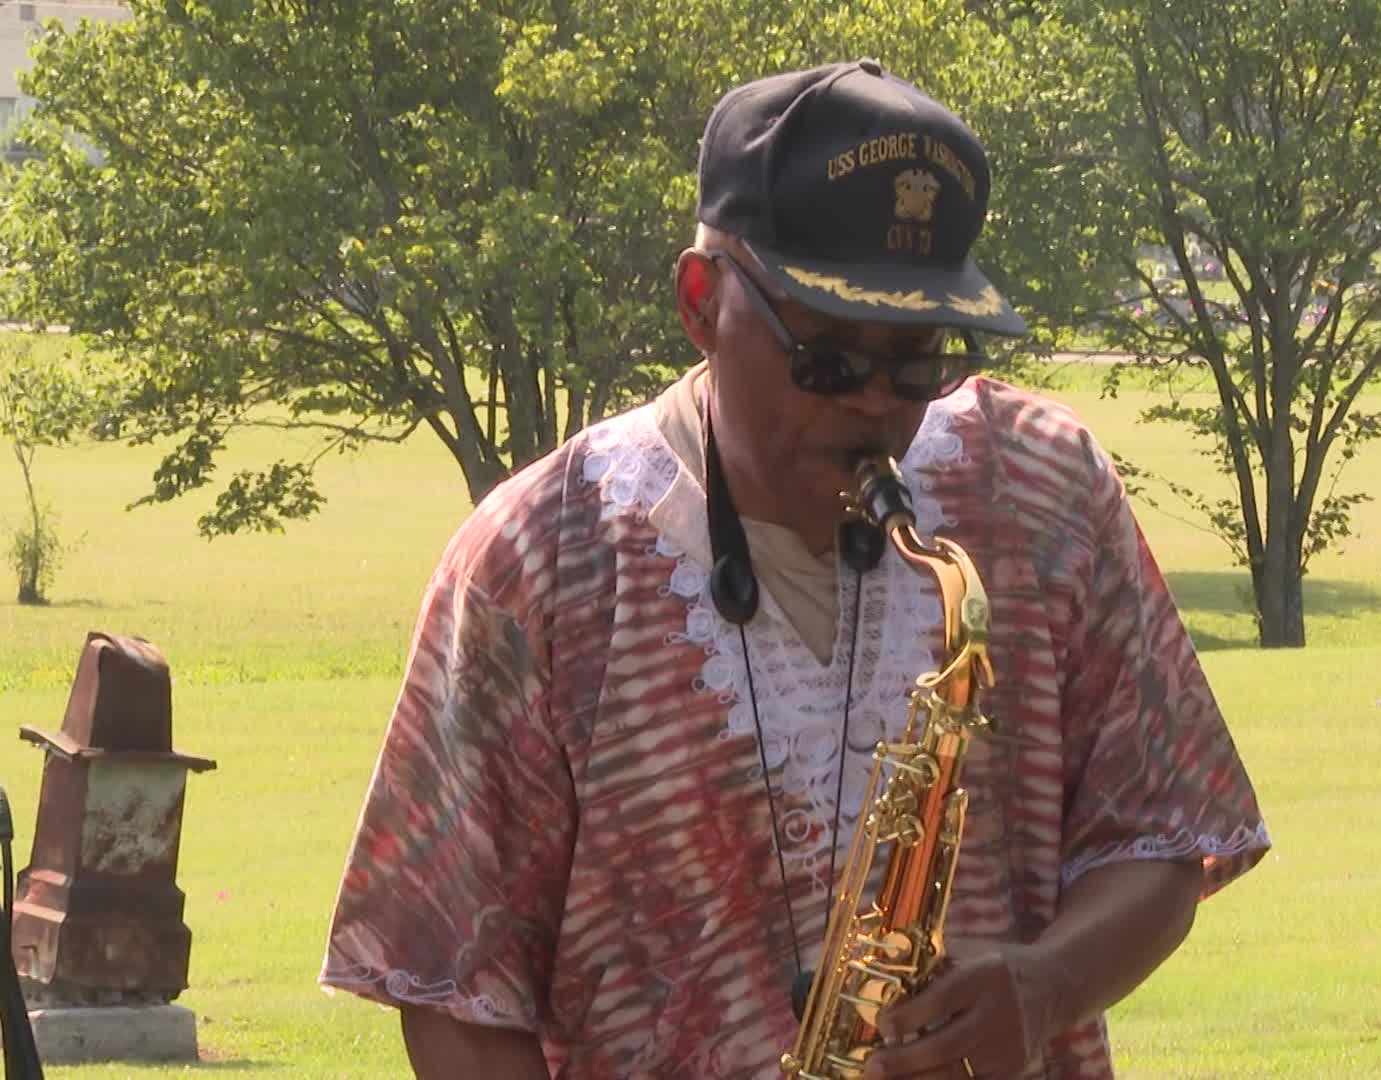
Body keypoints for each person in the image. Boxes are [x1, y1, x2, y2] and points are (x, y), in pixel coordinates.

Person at [320, 59, 1269, 1079]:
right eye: (828, 356)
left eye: (917, 359)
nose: (876, 404)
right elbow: (456, 990)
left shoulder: (1046, 490)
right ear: (700, 302)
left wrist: (1048, 985)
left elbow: (1165, 836)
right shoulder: (535, 562)